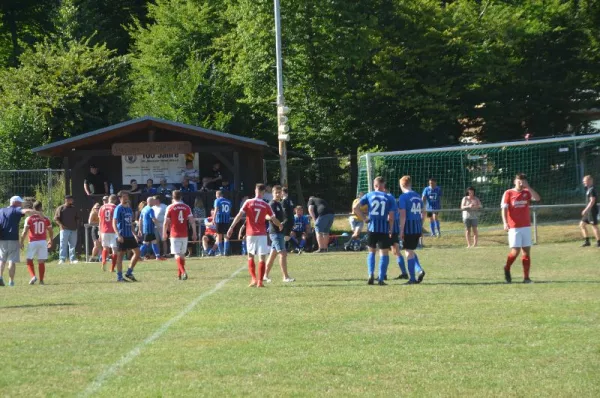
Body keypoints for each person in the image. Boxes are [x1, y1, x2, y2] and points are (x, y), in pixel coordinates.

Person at [227, 183, 282, 287]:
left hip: (250, 233)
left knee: (250, 256)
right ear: (263, 192)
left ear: (255, 191)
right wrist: (280, 225)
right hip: (261, 234)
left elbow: (239, 215)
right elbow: (273, 219)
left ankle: (253, 279)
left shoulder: (248, 202)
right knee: (262, 257)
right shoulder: (266, 205)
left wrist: (231, 227)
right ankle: (260, 282)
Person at [353, 177, 396, 285]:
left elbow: (355, 208)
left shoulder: (369, 195)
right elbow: (391, 217)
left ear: (375, 185)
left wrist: (364, 219)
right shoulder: (389, 198)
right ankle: (381, 279)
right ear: (383, 185)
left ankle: (370, 274)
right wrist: (391, 229)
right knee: (384, 253)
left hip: (372, 228)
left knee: (371, 252)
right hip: (383, 229)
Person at [501, 173, 541, 284]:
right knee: (515, 251)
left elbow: (537, 198)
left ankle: (526, 278)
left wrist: (528, 187)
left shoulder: (527, 192)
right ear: (514, 181)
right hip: (514, 227)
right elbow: (504, 209)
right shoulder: (508, 193)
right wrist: (505, 223)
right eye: (518, 180)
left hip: (526, 226)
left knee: (526, 252)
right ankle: (507, 267)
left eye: (523, 180)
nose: (520, 182)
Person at [0, 196, 39, 286]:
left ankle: (0, 277)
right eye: (20, 202)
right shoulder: (16, 209)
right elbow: (25, 211)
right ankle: (11, 282)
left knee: (2, 259)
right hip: (13, 238)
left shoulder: (1, 210)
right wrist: (37, 213)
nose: (21, 204)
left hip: (2, 238)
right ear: (15, 202)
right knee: (12, 260)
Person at [398, 176, 427, 284]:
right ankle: (419, 270)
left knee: (408, 252)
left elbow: (403, 215)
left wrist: (401, 230)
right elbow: (424, 212)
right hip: (417, 227)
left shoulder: (403, 197)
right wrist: (420, 224)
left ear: (403, 185)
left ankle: (412, 278)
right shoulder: (417, 196)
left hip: (408, 228)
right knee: (411, 250)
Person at [163, 190, 197, 280]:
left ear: (172, 197)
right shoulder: (187, 207)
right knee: (182, 254)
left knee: (177, 254)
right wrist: (194, 233)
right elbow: (192, 221)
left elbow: (166, 222)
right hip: (184, 233)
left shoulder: (170, 207)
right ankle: (179, 275)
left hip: (174, 234)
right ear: (181, 197)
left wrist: (164, 232)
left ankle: (183, 272)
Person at [264, 185, 295, 283]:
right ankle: (285, 277)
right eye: (276, 193)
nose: (278, 194)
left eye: (279, 192)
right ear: (272, 193)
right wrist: (274, 220)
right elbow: (266, 216)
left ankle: (264, 275)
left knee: (273, 255)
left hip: (280, 232)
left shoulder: (280, 204)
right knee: (283, 253)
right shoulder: (272, 204)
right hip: (275, 232)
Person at [20, 201, 53, 285]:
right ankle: (41, 281)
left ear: (33, 208)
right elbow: (50, 230)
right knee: (41, 261)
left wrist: (21, 241)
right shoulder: (45, 218)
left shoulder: (29, 218)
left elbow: (24, 232)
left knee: (29, 260)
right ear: (41, 207)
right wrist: (51, 240)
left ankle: (33, 276)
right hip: (42, 242)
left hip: (33, 242)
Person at [112, 191, 140, 282]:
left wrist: (134, 234)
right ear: (120, 198)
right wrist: (118, 235)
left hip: (129, 235)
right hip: (122, 235)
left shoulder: (129, 208)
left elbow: (130, 223)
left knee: (137, 253)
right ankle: (119, 277)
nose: (126, 198)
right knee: (120, 256)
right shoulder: (118, 208)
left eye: (127, 196)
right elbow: (114, 223)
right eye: (124, 196)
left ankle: (129, 272)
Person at [54, 195, 80, 265]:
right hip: (64, 230)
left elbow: (77, 218)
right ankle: (62, 259)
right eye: (71, 199)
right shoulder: (60, 208)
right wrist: (61, 225)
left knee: (73, 245)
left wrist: (76, 225)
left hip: (73, 230)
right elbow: (56, 219)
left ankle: (73, 259)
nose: (72, 200)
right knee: (63, 245)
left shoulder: (74, 208)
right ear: (66, 200)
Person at [99, 194, 119, 272]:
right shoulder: (115, 207)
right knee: (114, 249)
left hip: (104, 230)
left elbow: (100, 221)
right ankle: (112, 268)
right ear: (115, 200)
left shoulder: (102, 207)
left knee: (105, 247)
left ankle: (104, 260)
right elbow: (117, 220)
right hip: (113, 231)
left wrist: (100, 233)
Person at [580, 175, 599, 247]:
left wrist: (585, 210)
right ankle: (587, 241)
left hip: (592, 211)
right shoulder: (588, 189)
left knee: (594, 226)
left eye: (585, 181)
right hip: (589, 211)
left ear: (590, 181)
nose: (584, 182)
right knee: (582, 225)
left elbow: (592, 201)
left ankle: (599, 242)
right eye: (583, 181)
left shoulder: (592, 190)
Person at [213, 191, 232, 256]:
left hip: (219, 220)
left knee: (219, 237)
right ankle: (225, 252)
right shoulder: (229, 201)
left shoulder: (217, 200)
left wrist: (213, 218)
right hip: (226, 220)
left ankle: (221, 253)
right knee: (226, 237)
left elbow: (216, 210)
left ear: (217, 195)